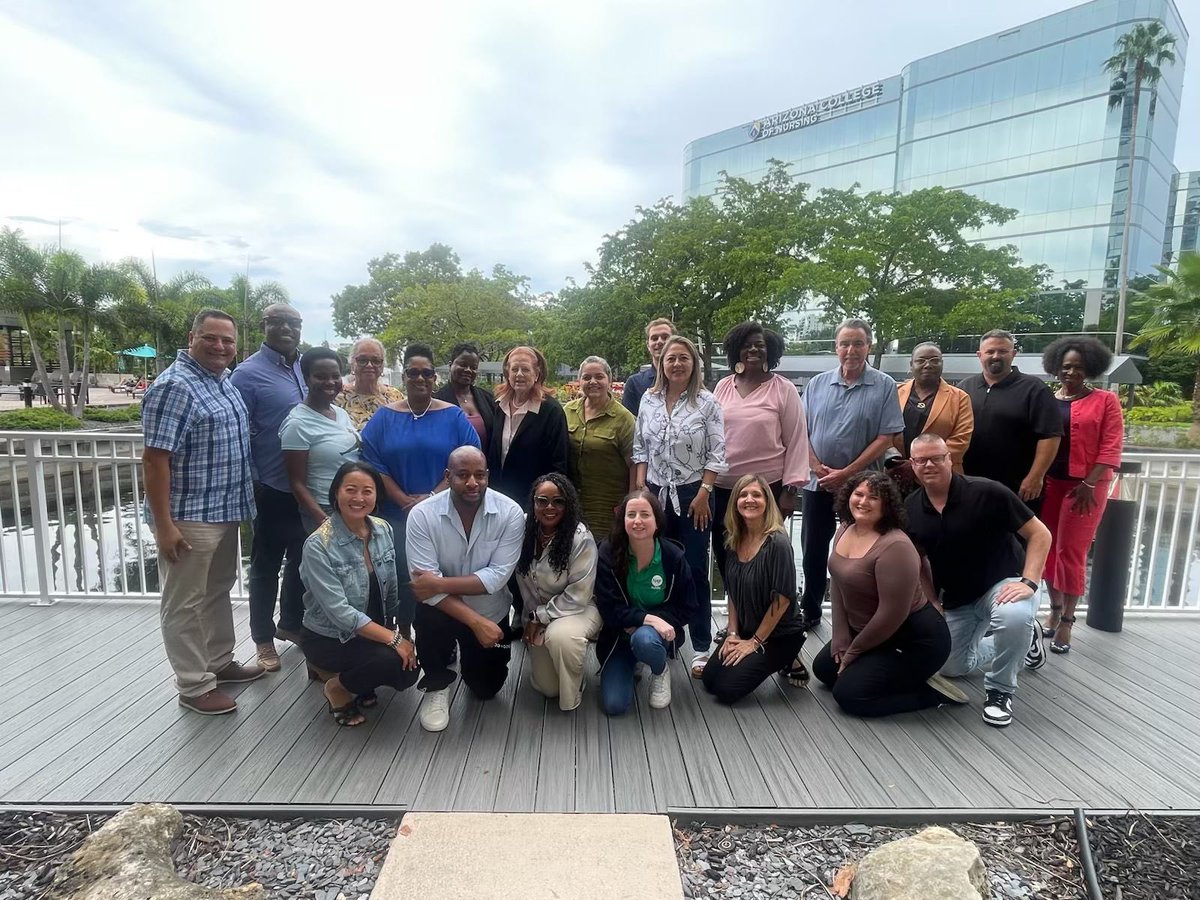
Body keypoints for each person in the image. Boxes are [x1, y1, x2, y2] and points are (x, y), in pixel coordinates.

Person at [142, 309, 263, 715]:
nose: (220, 346)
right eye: (211, 337)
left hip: (224, 510)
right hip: (189, 515)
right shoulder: (175, 386)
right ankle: (194, 685)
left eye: (227, 340)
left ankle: (218, 662)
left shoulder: (222, 381)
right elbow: (155, 459)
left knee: (216, 590)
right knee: (184, 603)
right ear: (191, 337)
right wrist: (164, 526)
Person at [905, 434, 1052, 727]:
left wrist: (1029, 581)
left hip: (1004, 584)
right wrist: (932, 599)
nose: (929, 465)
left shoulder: (987, 492)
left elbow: (1040, 534)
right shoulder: (910, 507)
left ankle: (1000, 691)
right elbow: (917, 558)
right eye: (921, 460)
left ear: (949, 459)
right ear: (912, 464)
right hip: (959, 597)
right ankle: (1025, 640)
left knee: (1014, 617)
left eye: (936, 458)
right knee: (951, 666)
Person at [812, 472, 966, 717]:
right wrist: (841, 635)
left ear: (887, 505)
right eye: (858, 494)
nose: (863, 502)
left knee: (850, 696)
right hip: (869, 631)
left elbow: (891, 614)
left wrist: (854, 651)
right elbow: (839, 583)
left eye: (874, 497)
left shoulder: (895, 546)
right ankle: (886, 672)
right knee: (824, 670)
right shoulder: (845, 528)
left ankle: (932, 694)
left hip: (912, 640)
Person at [405, 446, 526, 732]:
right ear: (447, 477)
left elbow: (497, 578)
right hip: (443, 611)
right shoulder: (422, 515)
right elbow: (424, 588)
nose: (472, 482)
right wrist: (475, 622)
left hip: (490, 611)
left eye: (479, 475)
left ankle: (466, 654)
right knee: (429, 616)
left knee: (487, 688)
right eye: (462, 475)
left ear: (488, 476)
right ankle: (437, 683)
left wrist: (439, 583)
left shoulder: (511, 513)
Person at [362, 343, 480, 628]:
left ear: (434, 378)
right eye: (413, 372)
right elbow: (373, 462)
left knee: (441, 575)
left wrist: (429, 497)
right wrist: (404, 500)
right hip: (395, 515)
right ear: (403, 376)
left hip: (445, 512)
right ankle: (401, 633)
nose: (420, 378)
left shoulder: (453, 416)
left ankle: (444, 635)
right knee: (404, 576)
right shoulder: (384, 417)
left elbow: (469, 459)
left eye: (426, 373)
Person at [633, 334, 726, 675]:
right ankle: (667, 636)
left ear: (694, 363)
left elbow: (717, 452)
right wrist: (641, 488)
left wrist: (704, 492)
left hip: (694, 496)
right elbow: (640, 447)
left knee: (695, 569)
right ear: (661, 363)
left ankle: (701, 644)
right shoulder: (649, 399)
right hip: (656, 495)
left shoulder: (707, 402)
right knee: (659, 566)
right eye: (670, 358)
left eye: (683, 358)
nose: (676, 364)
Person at [802, 319, 904, 630]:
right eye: (845, 343)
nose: (851, 350)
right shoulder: (817, 384)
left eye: (858, 343)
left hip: (863, 487)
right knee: (812, 550)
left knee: (860, 552)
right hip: (818, 483)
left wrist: (847, 473)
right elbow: (800, 431)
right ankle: (811, 610)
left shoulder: (885, 385)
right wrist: (816, 466)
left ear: (868, 347)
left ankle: (858, 615)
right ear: (836, 348)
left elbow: (886, 437)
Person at [298, 462, 418, 727]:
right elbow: (340, 613)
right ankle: (337, 686)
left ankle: (358, 678)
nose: (359, 498)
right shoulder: (318, 545)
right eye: (350, 490)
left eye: (367, 491)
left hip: (371, 630)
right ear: (336, 493)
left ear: (376, 496)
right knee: (391, 660)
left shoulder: (382, 529)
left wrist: (396, 629)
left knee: (407, 672)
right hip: (330, 637)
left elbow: (392, 589)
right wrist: (394, 639)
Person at [229, 303, 308, 668]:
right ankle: (262, 638)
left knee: (302, 561)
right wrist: (253, 480)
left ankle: (290, 624)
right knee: (265, 566)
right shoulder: (247, 374)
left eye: (293, 322)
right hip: (271, 486)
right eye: (278, 322)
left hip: (307, 489)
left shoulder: (305, 367)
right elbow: (236, 432)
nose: (287, 328)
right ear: (264, 325)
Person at [1037, 336, 1124, 654]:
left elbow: (1111, 446)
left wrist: (1089, 483)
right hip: (1050, 484)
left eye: (1078, 367)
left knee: (1071, 553)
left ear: (1090, 369)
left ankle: (1068, 621)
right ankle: (1054, 608)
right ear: (1056, 368)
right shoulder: (1048, 400)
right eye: (1066, 367)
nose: (1071, 372)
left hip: (1085, 488)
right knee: (1047, 549)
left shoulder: (1106, 401)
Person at [711, 322, 808, 583]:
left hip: (767, 490)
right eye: (746, 345)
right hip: (723, 489)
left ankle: (765, 609)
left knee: (764, 558)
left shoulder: (783, 389)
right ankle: (734, 607)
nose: (753, 349)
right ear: (736, 350)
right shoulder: (722, 387)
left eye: (759, 345)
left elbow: (797, 440)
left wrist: (790, 491)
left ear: (770, 350)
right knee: (726, 555)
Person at [701, 475, 807, 704]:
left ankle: (789, 658)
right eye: (743, 495)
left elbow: (783, 600)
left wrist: (754, 642)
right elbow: (732, 592)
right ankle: (764, 655)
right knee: (709, 679)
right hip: (748, 628)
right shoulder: (733, 538)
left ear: (767, 502)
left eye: (756, 495)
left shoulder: (777, 543)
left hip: (780, 634)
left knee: (726, 689)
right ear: (735, 503)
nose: (749, 500)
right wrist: (732, 634)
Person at [595, 490, 699, 715]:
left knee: (643, 639)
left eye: (645, 514)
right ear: (622, 519)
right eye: (631, 514)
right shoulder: (608, 553)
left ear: (657, 520)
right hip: (619, 636)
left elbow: (688, 607)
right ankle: (634, 661)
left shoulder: (672, 558)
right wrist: (647, 618)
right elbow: (608, 608)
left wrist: (649, 624)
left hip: (654, 637)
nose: (637, 521)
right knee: (614, 705)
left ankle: (659, 670)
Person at [515, 474, 602, 711]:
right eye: (542, 501)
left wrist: (538, 617)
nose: (549, 507)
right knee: (548, 688)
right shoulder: (521, 529)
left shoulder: (580, 538)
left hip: (578, 610)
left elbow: (578, 596)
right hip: (537, 616)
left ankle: (574, 687)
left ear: (568, 504)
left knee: (562, 637)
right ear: (533, 502)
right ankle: (561, 663)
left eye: (558, 501)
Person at [960, 330, 1062, 514]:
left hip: (1019, 488)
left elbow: (1050, 436)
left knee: (1017, 532)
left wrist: (1035, 476)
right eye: (990, 351)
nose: (996, 356)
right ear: (979, 355)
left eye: (1002, 351)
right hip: (970, 484)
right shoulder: (964, 388)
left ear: (1013, 354)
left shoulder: (1035, 389)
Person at [280, 348, 361, 536]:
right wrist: (322, 520)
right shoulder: (297, 424)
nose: (330, 382)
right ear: (306, 379)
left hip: (352, 502)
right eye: (321, 376)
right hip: (325, 507)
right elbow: (297, 483)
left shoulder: (340, 413)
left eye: (335, 376)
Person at [486, 345, 569, 509]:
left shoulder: (551, 411)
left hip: (533, 503)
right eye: (514, 369)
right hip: (497, 500)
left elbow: (559, 463)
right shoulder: (498, 406)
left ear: (537, 374)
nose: (519, 374)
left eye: (525, 369)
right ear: (507, 373)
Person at [564, 356, 636, 534]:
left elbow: (634, 464)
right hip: (572, 504)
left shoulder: (623, 418)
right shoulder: (567, 411)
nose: (593, 382)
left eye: (599, 377)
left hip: (607, 507)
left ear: (609, 381)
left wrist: (630, 504)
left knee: (604, 549)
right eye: (587, 377)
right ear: (580, 381)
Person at [889, 342, 974, 475]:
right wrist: (895, 459)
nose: (928, 365)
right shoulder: (894, 393)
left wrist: (920, 463)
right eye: (921, 360)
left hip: (941, 474)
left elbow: (960, 440)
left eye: (934, 360)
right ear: (911, 365)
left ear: (942, 364)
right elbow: (882, 432)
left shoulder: (960, 398)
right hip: (898, 472)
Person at [433, 341, 499, 448]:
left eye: (473, 367)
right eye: (463, 365)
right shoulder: (436, 400)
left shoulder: (488, 399)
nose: (468, 370)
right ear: (450, 365)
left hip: (485, 458)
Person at [335, 337, 404, 430]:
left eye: (376, 361)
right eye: (362, 360)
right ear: (352, 363)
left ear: (383, 365)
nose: (369, 365)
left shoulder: (395, 397)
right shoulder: (337, 397)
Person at [621, 317, 675, 415]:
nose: (659, 341)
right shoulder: (634, 384)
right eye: (654, 338)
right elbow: (629, 422)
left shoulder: (687, 380)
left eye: (665, 337)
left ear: (675, 342)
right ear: (648, 345)